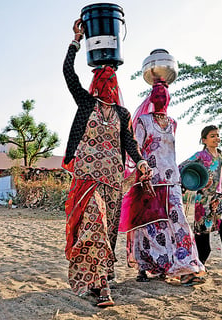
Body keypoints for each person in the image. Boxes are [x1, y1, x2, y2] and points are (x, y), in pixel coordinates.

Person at [62, 18, 152, 308]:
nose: (107, 82)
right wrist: (76, 42)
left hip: (113, 180)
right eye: (103, 78)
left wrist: (139, 162)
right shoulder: (86, 104)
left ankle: (98, 278)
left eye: (110, 78)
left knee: (108, 230)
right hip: (87, 179)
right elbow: (68, 73)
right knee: (94, 226)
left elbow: (128, 143)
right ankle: (101, 288)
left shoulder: (123, 114)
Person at [121, 79, 205, 285]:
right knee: (147, 224)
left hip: (172, 180)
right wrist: (142, 173)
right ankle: (144, 265)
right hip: (150, 180)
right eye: (157, 95)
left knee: (179, 222)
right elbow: (135, 149)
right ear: (151, 98)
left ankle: (186, 266)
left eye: (164, 95)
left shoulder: (173, 123)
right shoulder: (143, 121)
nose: (161, 98)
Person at [180, 125, 222, 275]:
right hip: (203, 200)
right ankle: (198, 266)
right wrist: (188, 183)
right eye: (212, 136)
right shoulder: (199, 155)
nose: (216, 138)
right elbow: (182, 167)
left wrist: (221, 194)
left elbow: (221, 179)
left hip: (218, 199)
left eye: (217, 135)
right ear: (204, 140)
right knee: (203, 234)